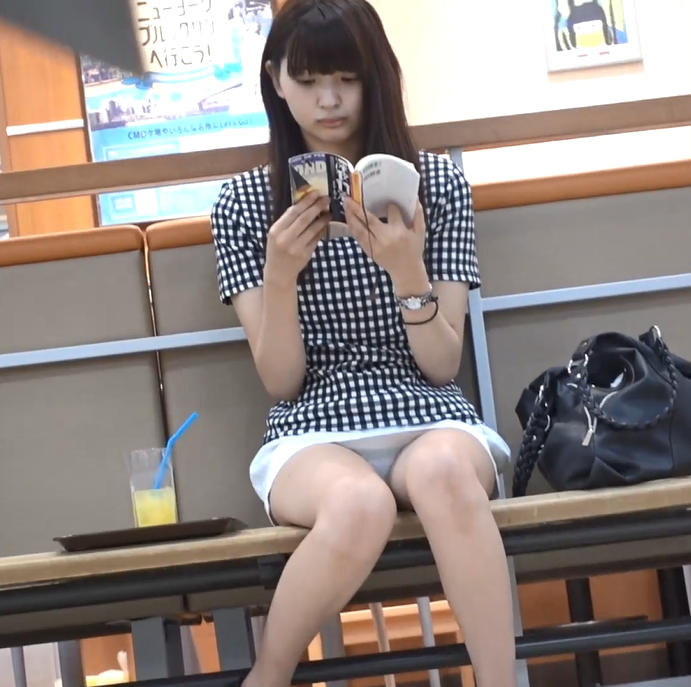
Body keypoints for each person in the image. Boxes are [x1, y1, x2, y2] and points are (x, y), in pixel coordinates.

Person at [211, 1, 517, 685]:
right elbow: (281, 381)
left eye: (347, 78)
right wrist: (281, 275)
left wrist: (407, 270)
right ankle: (267, 677)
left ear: (374, 78)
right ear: (275, 80)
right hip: (311, 429)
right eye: (309, 79)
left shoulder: (435, 185)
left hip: (428, 412)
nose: (329, 99)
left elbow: (441, 365)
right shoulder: (243, 205)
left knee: (443, 475)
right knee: (359, 503)